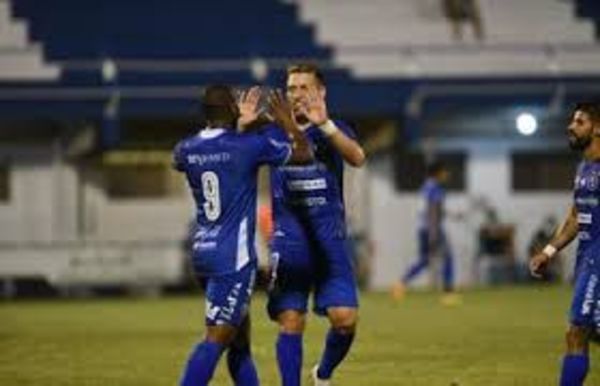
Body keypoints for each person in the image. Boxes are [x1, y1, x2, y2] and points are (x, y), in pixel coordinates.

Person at [173, 84, 312, 386]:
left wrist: (236, 126)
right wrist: (285, 120)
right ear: (234, 111)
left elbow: (190, 157)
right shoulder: (247, 146)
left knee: (239, 342)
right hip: (231, 258)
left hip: (202, 252)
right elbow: (304, 154)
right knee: (218, 337)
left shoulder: (185, 148)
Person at [264, 63, 366, 386]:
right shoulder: (272, 133)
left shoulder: (334, 129)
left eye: (303, 88)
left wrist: (327, 127)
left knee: (345, 320)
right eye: (291, 88)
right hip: (290, 242)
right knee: (291, 320)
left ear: (321, 92)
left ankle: (322, 375)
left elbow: (357, 157)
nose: (296, 94)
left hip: (329, 241)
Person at [530, 102, 600, 386]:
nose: (571, 127)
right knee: (589, 332)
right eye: (573, 121)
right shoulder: (584, 168)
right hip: (587, 259)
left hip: (598, 263)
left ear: (597, 128)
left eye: (580, 122)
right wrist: (549, 250)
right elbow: (575, 217)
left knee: (576, 332)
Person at [392, 161, 459, 305]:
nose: (447, 175)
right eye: (445, 172)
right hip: (432, 228)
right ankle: (448, 293)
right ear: (438, 173)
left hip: (423, 228)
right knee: (448, 257)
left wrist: (452, 215)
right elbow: (433, 211)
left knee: (424, 260)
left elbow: (431, 209)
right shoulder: (435, 188)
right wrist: (434, 233)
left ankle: (401, 283)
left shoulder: (426, 187)